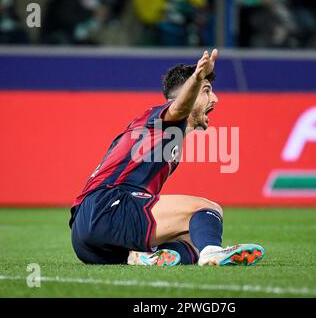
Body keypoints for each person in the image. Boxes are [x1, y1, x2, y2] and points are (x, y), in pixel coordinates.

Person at [69, 49, 264, 266]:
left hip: (89, 239)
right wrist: (197, 78)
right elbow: (179, 108)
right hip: (107, 207)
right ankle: (213, 253)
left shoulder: (168, 139)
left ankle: (143, 258)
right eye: (207, 91)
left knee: (192, 239)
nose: (215, 99)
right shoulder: (159, 118)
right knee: (207, 209)